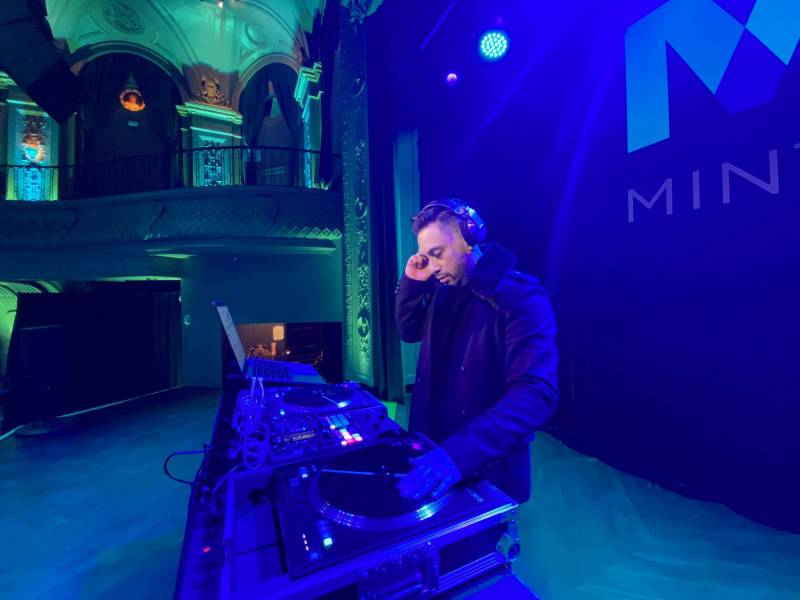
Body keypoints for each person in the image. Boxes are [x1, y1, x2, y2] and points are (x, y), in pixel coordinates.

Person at [394, 199, 558, 504]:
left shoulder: (522, 298)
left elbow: (537, 393)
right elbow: (409, 331)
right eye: (426, 257)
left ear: (469, 239)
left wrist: (458, 454)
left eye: (437, 254)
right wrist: (412, 284)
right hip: (434, 450)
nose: (432, 267)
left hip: (485, 467)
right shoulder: (443, 288)